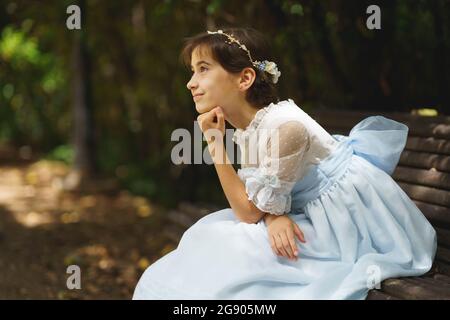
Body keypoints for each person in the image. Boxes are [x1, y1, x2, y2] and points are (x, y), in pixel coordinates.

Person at [133, 27, 437, 300]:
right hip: (306, 211)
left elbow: (250, 211)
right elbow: (255, 207)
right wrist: (271, 215)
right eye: (192, 71)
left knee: (225, 244)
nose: (190, 83)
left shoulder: (284, 128)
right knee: (212, 235)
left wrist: (215, 143)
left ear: (245, 78)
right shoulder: (249, 127)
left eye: (202, 69)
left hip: (347, 223)